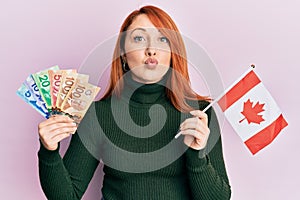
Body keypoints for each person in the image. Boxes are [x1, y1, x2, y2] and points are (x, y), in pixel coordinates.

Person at [37, 5, 231, 200]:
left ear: (173, 52)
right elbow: (66, 196)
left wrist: (196, 155)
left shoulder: (199, 114)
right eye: (139, 39)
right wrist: (49, 152)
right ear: (123, 53)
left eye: (162, 39)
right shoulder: (97, 114)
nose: (151, 50)